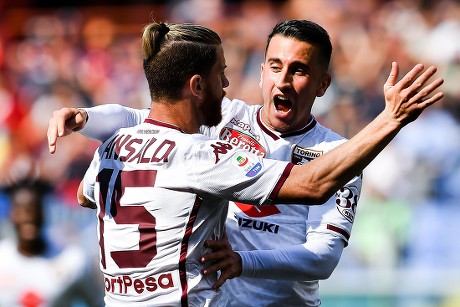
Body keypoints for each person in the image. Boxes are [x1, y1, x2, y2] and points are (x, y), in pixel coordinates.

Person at [48, 19, 444, 306]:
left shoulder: (337, 158)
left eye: (299, 70)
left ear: (323, 84)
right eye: (275, 66)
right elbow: (148, 118)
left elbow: (322, 257)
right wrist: (87, 116)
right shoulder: (221, 121)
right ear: (260, 73)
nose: (283, 80)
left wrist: (243, 262)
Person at [0, 177, 101, 307]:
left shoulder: (72, 260)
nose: (29, 217)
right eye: (22, 210)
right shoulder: (2, 259)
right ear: (11, 215)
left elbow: (97, 302)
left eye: (34, 209)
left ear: (43, 211)